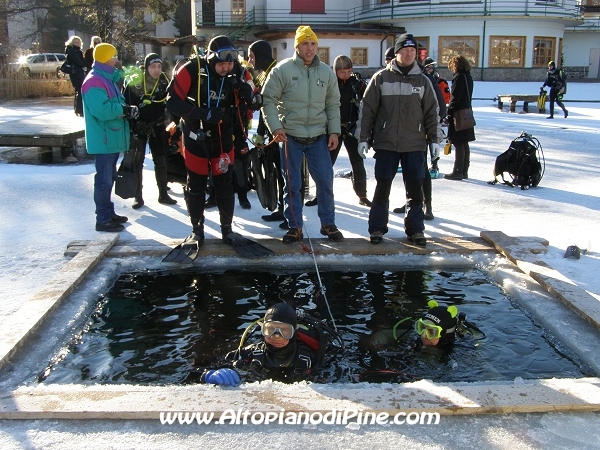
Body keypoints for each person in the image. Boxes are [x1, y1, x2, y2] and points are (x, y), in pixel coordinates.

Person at [166, 36, 255, 245]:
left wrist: (248, 94)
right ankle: (197, 230)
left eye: (229, 63)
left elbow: (255, 101)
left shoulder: (240, 72)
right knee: (196, 186)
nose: (225, 68)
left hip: (224, 140)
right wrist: (201, 113)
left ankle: (227, 230)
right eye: (221, 63)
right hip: (196, 138)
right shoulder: (191, 70)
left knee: (225, 186)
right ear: (211, 58)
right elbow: (172, 103)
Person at [261, 25, 343, 243]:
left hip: (318, 137)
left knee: (325, 181)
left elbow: (333, 104)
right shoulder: (282, 70)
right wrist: (276, 128)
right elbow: (267, 99)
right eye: (305, 43)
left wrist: (334, 131)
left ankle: (328, 224)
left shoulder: (326, 72)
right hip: (290, 137)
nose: (310, 48)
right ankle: (294, 226)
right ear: (297, 46)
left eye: (313, 43)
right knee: (293, 185)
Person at [358, 33, 441, 247]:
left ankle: (415, 230)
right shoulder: (381, 78)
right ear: (397, 53)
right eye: (405, 50)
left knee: (415, 189)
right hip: (386, 143)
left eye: (413, 51)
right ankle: (377, 228)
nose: (409, 54)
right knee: (382, 186)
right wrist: (363, 137)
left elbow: (432, 113)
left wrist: (434, 139)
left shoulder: (423, 81)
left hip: (414, 144)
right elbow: (367, 110)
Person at [199, 302, 340, 385]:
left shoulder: (310, 357)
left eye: (285, 331)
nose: (276, 336)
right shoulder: (250, 353)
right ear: (263, 330)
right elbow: (200, 368)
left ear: (294, 333)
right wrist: (208, 375)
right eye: (270, 329)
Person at [82, 43, 139, 232]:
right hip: (104, 139)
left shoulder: (106, 77)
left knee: (109, 177)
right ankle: (103, 218)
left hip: (110, 137)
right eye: (114, 56)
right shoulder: (94, 81)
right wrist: (123, 110)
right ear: (106, 58)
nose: (117, 59)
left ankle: (108, 213)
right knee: (104, 180)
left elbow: (113, 99)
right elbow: (101, 109)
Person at [305, 55, 371, 208]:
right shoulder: (328, 82)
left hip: (352, 129)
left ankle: (362, 195)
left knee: (357, 162)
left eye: (349, 71)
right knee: (326, 165)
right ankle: (321, 195)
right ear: (336, 71)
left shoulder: (358, 84)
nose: (346, 75)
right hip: (332, 130)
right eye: (343, 72)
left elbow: (369, 103)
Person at [393, 56, 447, 220]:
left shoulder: (425, 79)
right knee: (409, 171)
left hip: (420, 134)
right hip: (402, 134)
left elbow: (440, 108)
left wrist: (430, 133)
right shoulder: (397, 77)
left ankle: (427, 205)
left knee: (421, 171)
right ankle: (411, 200)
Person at [123, 53, 177, 208]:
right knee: (137, 162)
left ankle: (163, 194)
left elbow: (171, 102)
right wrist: (134, 123)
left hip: (158, 126)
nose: (156, 70)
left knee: (160, 160)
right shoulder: (135, 82)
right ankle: (138, 196)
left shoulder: (164, 81)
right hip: (139, 127)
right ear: (146, 67)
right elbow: (126, 105)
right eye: (153, 66)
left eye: (159, 66)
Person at [249, 40, 287, 227]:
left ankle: (289, 212)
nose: (250, 62)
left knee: (285, 174)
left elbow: (271, 106)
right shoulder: (266, 74)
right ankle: (282, 207)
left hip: (280, 132)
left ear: (260, 56)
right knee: (278, 173)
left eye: (252, 57)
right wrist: (260, 133)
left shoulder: (274, 73)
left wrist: (263, 132)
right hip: (272, 132)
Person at [444, 55, 475, 180]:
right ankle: (464, 171)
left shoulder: (459, 78)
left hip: (458, 114)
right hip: (467, 113)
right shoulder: (468, 76)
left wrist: (449, 112)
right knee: (464, 143)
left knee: (458, 143)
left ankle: (457, 171)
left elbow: (455, 97)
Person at [65, 35, 87, 116]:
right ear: (72, 42)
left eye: (78, 42)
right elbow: (78, 61)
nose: (77, 43)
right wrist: (84, 64)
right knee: (80, 90)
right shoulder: (72, 51)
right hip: (76, 73)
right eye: (75, 42)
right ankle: (79, 110)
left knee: (78, 91)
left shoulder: (77, 50)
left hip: (78, 72)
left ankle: (78, 109)